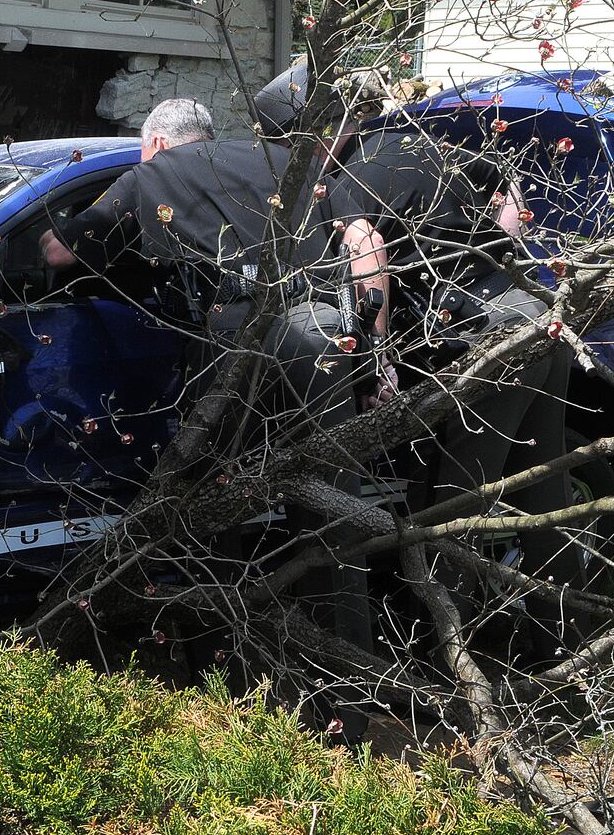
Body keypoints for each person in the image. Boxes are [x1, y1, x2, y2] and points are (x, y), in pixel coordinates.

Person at [41, 97, 392, 738]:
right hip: (323, 337)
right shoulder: (288, 160)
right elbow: (368, 246)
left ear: (154, 145)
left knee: (213, 503)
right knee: (334, 513)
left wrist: (62, 232)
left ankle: (238, 676)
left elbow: (61, 255)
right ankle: (355, 687)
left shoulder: (152, 175)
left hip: (238, 342)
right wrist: (373, 357)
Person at [257, 61, 574, 651]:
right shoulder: (424, 145)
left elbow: (367, 250)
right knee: (542, 486)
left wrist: (378, 363)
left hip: (488, 346)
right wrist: (486, 255)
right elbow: (509, 196)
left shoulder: (351, 174)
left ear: (318, 130)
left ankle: (449, 651)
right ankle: (569, 635)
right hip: (533, 318)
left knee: (448, 504)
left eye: (293, 144)